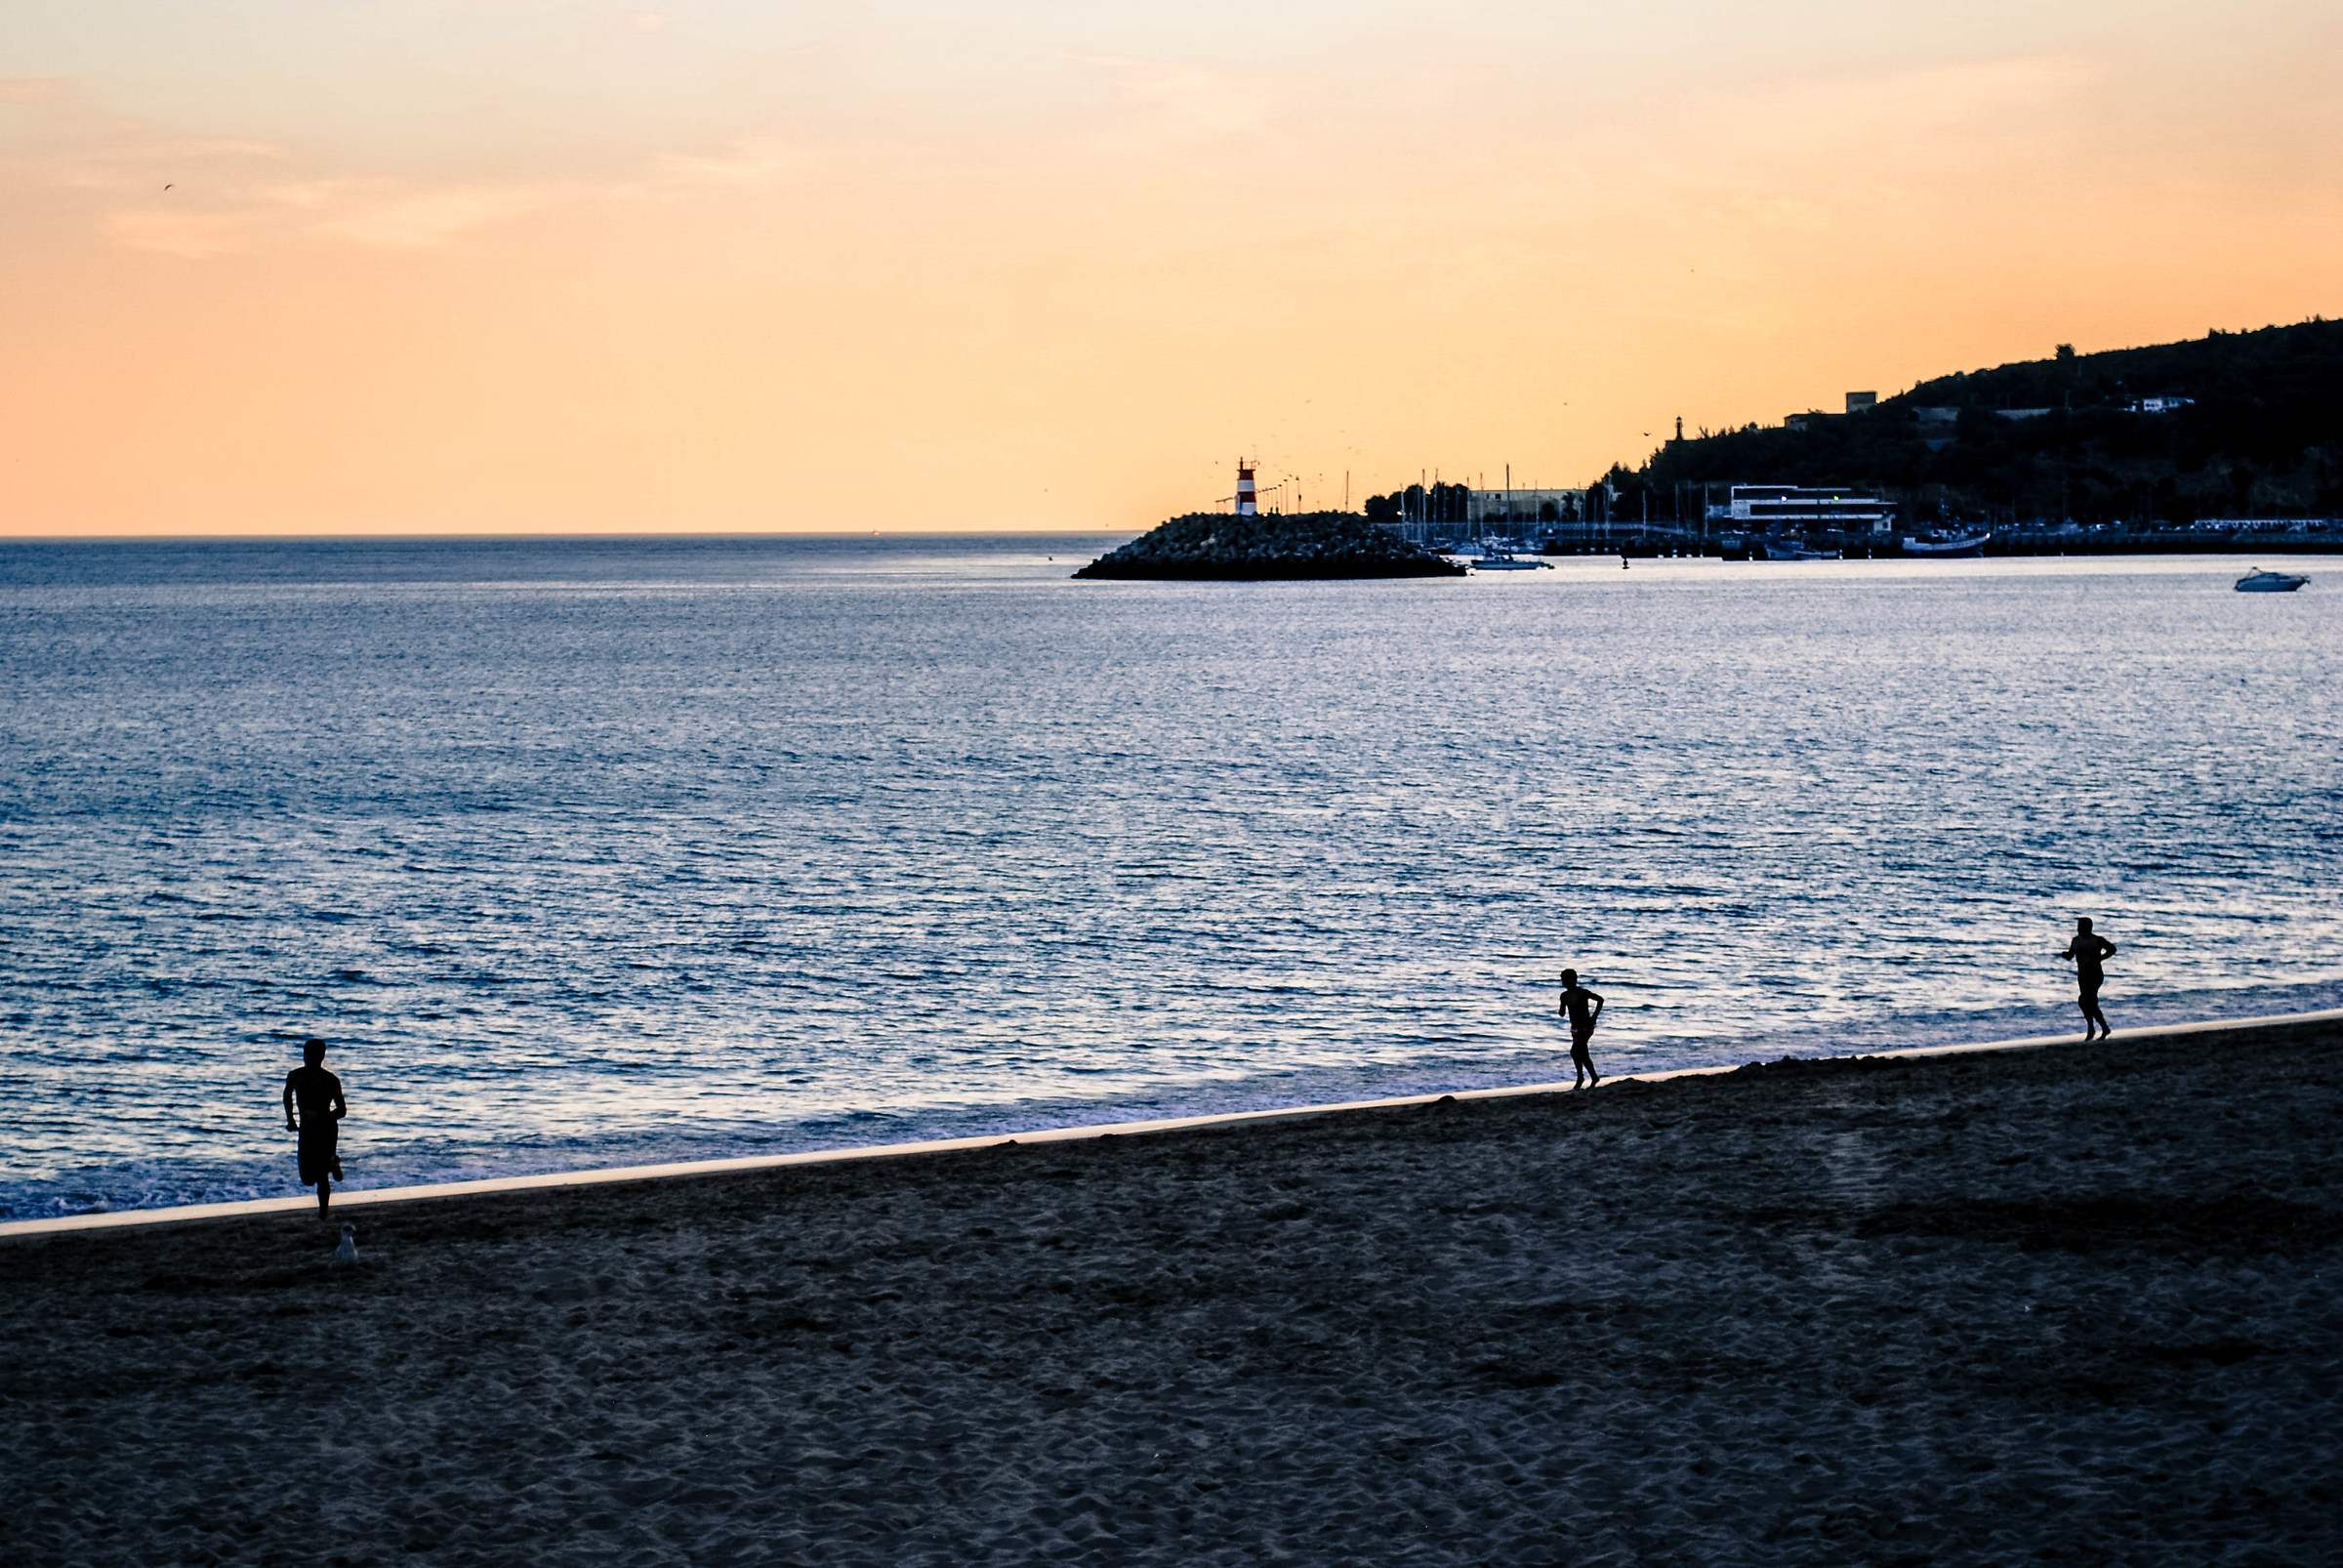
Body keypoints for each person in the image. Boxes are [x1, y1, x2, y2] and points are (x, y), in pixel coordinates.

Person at [283, 1038, 349, 1215]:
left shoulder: (330, 1080)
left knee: (321, 1176)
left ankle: (323, 1213)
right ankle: (333, 1164)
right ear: (303, 1056)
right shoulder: (296, 1075)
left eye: (314, 1056)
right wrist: (291, 1119)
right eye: (307, 1055)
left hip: (326, 1129)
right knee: (307, 1178)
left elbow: (342, 1110)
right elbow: (287, 1096)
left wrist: (322, 1116)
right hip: (306, 1129)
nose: (309, 1059)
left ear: (322, 1057)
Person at [2060, 918, 2117, 1041]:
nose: (2079, 928)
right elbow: (2070, 956)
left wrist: (2100, 958)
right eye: (2078, 926)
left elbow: (2112, 949)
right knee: (2086, 1002)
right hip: (2082, 975)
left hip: (2095, 974)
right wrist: (2065, 955)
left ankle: (2096, 1028)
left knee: (2086, 1000)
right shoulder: (2075, 941)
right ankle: (2098, 1028)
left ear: (2089, 927)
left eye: (2082, 926)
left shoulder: (2096, 940)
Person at [1558, 969, 1605, 1088]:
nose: (1564, 982)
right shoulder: (1564, 996)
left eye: (1565, 980)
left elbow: (1600, 1000)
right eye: (1562, 980)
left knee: (1575, 1051)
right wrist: (1562, 1008)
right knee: (1581, 1053)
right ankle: (1592, 1077)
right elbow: (1562, 1012)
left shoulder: (1583, 993)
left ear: (1573, 980)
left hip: (1586, 1026)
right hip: (1575, 1027)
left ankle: (1581, 1078)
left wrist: (1594, 1017)